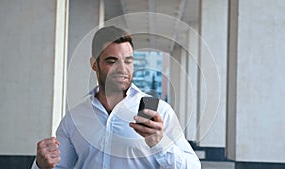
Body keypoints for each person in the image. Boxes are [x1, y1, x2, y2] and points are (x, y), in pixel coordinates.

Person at [31, 26, 201, 169]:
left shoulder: (160, 112)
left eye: (128, 61)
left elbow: (193, 166)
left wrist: (160, 143)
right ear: (94, 64)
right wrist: (41, 165)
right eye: (112, 61)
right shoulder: (74, 119)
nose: (122, 69)